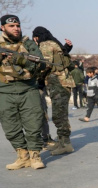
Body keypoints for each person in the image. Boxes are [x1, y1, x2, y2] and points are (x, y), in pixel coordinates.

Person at [0, 15, 45, 169]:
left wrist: (21, 60)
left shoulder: (28, 43)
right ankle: (23, 156)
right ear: (2, 28)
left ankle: (35, 156)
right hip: (4, 90)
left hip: (28, 88)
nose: (16, 28)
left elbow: (41, 64)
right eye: (11, 26)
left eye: (17, 25)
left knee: (33, 123)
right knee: (9, 125)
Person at [32, 26, 75, 156]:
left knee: (59, 115)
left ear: (37, 37)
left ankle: (66, 144)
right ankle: (61, 141)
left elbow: (45, 64)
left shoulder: (45, 44)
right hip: (61, 82)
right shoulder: (54, 43)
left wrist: (36, 77)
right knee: (59, 113)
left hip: (58, 83)